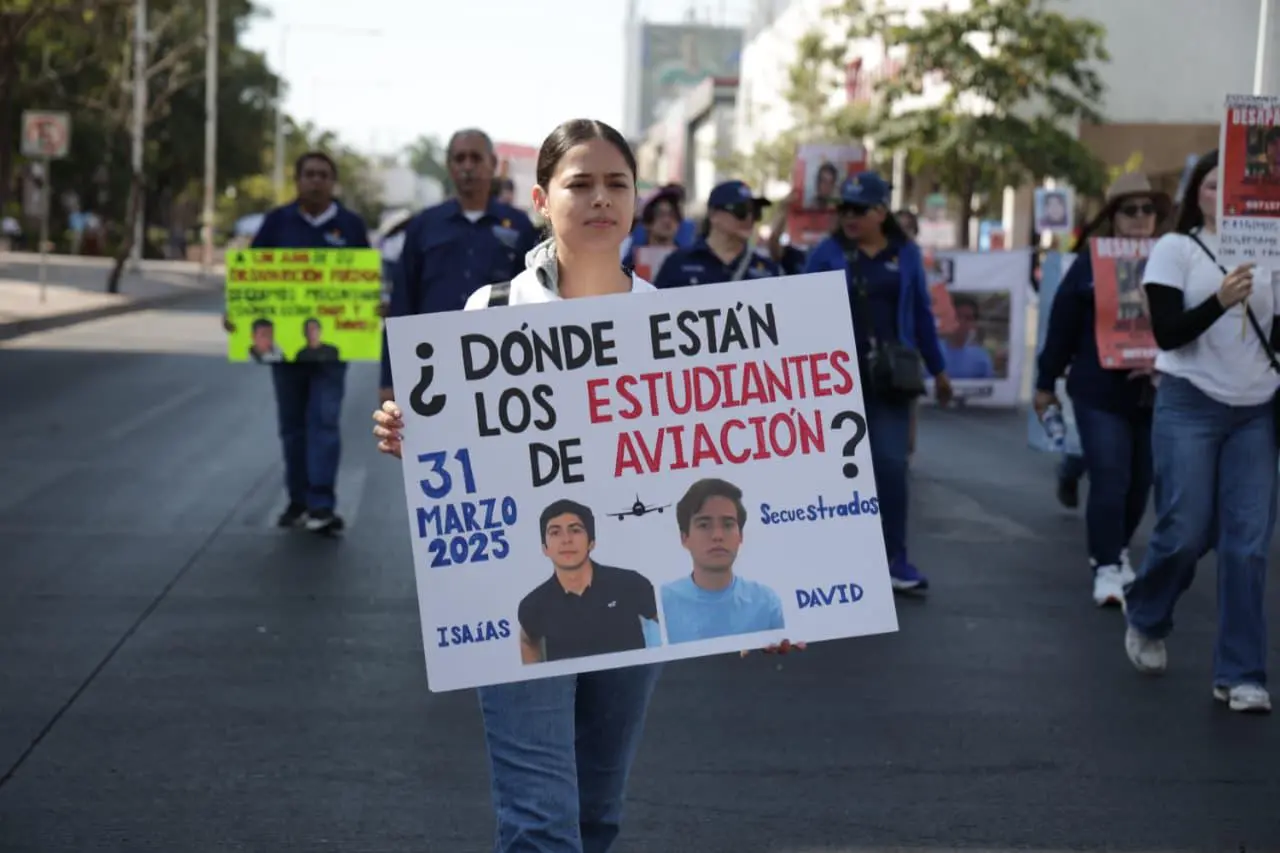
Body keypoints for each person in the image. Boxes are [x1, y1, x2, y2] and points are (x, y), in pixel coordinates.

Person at [371, 118, 805, 852]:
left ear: (637, 200)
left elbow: (722, 472)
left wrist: (771, 596)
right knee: (541, 824)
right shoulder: (491, 314)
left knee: (597, 816)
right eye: (580, 183)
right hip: (519, 606)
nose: (600, 199)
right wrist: (410, 434)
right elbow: (463, 453)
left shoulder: (674, 325)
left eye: (617, 183)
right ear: (541, 198)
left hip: (632, 615)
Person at [1123, 149, 1276, 714]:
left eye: (1233, 188)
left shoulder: (1273, 251)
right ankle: (1148, 612)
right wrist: (1219, 300)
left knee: (1248, 545)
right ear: (1196, 194)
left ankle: (1241, 673)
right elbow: (1167, 334)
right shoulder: (1176, 249)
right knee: (1187, 530)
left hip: (1257, 407)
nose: (1222, 197)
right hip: (1191, 401)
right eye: (1212, 187)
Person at [802, 172, 953, 593]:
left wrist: (939, 370)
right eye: (843, 209)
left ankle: (894, 558)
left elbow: (922, 314)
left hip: (890, 377)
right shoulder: (827, 253)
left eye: (859, 209)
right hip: (834, 378)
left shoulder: (905, 255)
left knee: (890, 465)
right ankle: (834, 559)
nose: (849, 217)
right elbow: (798, 306)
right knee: (836, 472)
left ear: (882, 212)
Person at [1034, 172, 1172, 606]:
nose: (1139, 217)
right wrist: (1044, 383)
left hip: (1154, 390)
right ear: (1112, 217)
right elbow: (1061, 327)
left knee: (1140, 482)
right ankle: (1106, 565)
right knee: (1111, 475)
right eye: (1129, 210)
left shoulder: (1173, 259)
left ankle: (1118, 549)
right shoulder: (1088, 264)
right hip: (1098, 388)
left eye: (1147, 209)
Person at [233, 151, 371, 534]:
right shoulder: (277, 223)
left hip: (333, 351)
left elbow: (366, 282)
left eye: (323, 175)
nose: (315, 180)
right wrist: (239, 317)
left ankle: (322, 504)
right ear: (297, 180)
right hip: (286, 350)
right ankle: (298, 500)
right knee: (292, 427)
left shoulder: (351, 225)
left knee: (324, 422)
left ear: (333, 181)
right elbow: (253, 279)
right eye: (308, 174)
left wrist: (374, 306)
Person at [379, 128, 539, 404]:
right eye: (460, 158)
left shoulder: (520, 226)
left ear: (492, 164)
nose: (467, 166)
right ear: (449, 166)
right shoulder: (424, 226)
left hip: (501, 366)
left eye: (475, 158)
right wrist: (389, 378)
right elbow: (402, 303)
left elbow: (536, 300)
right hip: (430, 365)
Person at [519, 499, 662, 664]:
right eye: (555, 532)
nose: (566, 540)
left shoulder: (630, 584)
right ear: (545, 547)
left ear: (591, 542)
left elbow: (666, 619)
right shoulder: (534, 604)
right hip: (573, 688)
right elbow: (528, 641)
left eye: (575, 530)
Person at [661, 478, 785, 644]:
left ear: (740, 536)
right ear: (685, 538)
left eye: (728, 525)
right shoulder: (662, 604)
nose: (717, 536)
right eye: (704, 525)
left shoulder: (765, 603)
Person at [652, 180, 781, 288]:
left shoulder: (768, 270)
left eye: (756, 212)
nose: (749, 218)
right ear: (713, 215)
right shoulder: (678, 264)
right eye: (740, 211)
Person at [622, 187, 682, 279]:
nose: (667, 220)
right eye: (660, 214)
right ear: (647, 222)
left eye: (672, 215)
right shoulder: (633, 260)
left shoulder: (689, 260)